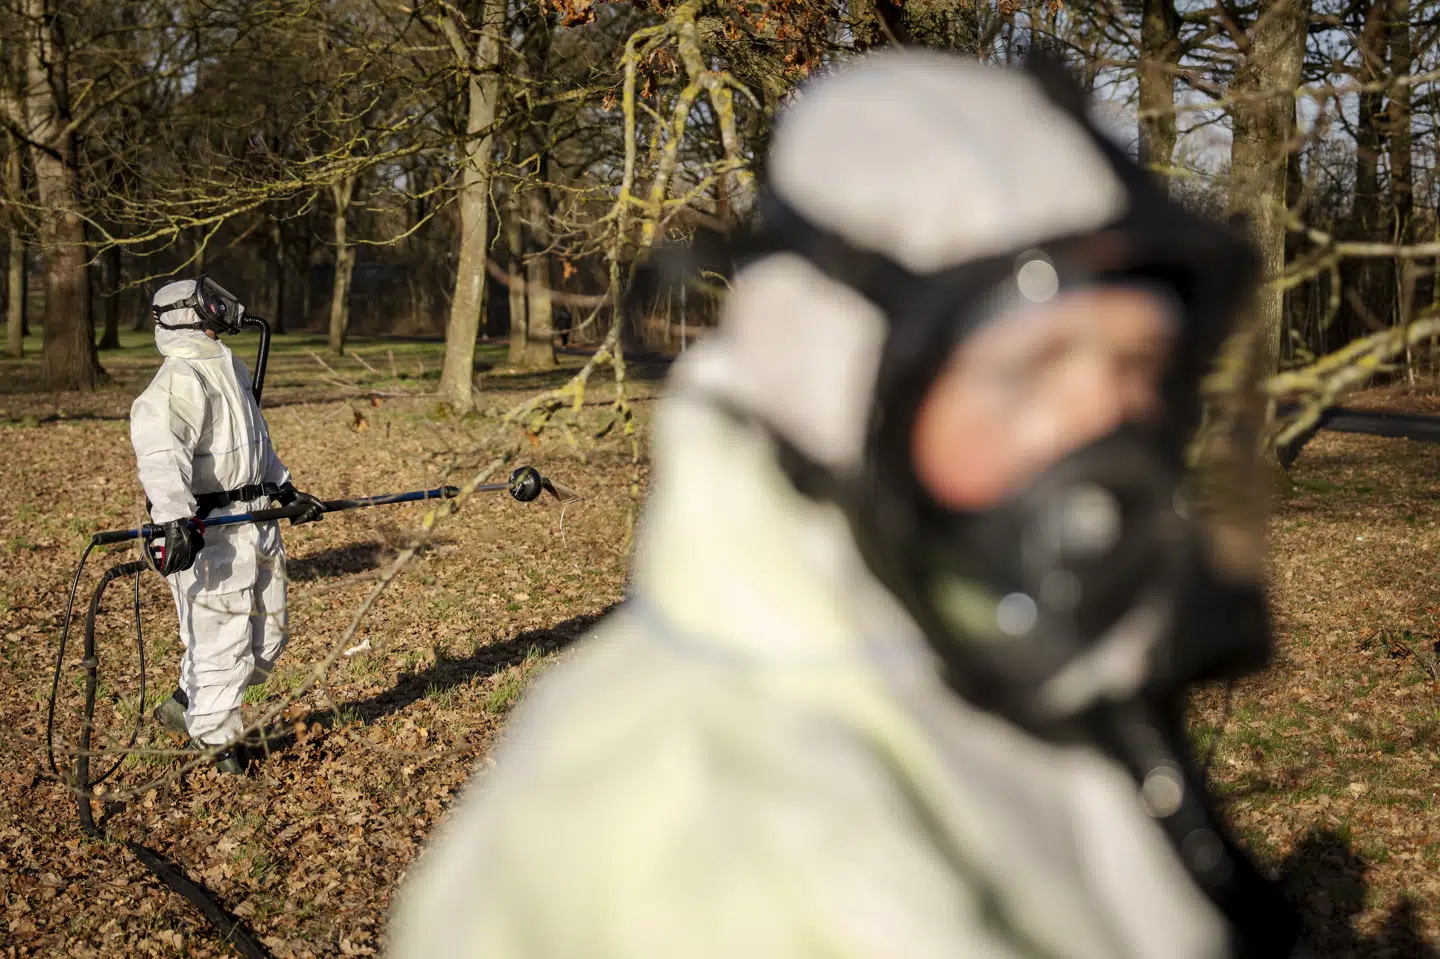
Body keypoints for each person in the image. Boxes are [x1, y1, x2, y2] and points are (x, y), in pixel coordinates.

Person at [387, 50, 1299, 958]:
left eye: (1141, 370)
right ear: (842, 391)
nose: (1109, 450)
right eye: (1028, 371)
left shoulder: (968, 639)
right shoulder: (710, 837)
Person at [130, 277, 324, 775]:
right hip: (211, 531)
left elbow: (255, 438)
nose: (222, 307)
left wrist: (284, 489)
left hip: (258, 519)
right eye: (210, 302)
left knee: (268, 638)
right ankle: (216, 741)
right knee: (222, 639)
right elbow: (159, 455)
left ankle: (185, 702)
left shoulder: (230, 367)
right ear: (184, 314)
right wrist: (174, 520)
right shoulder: (176, 381)